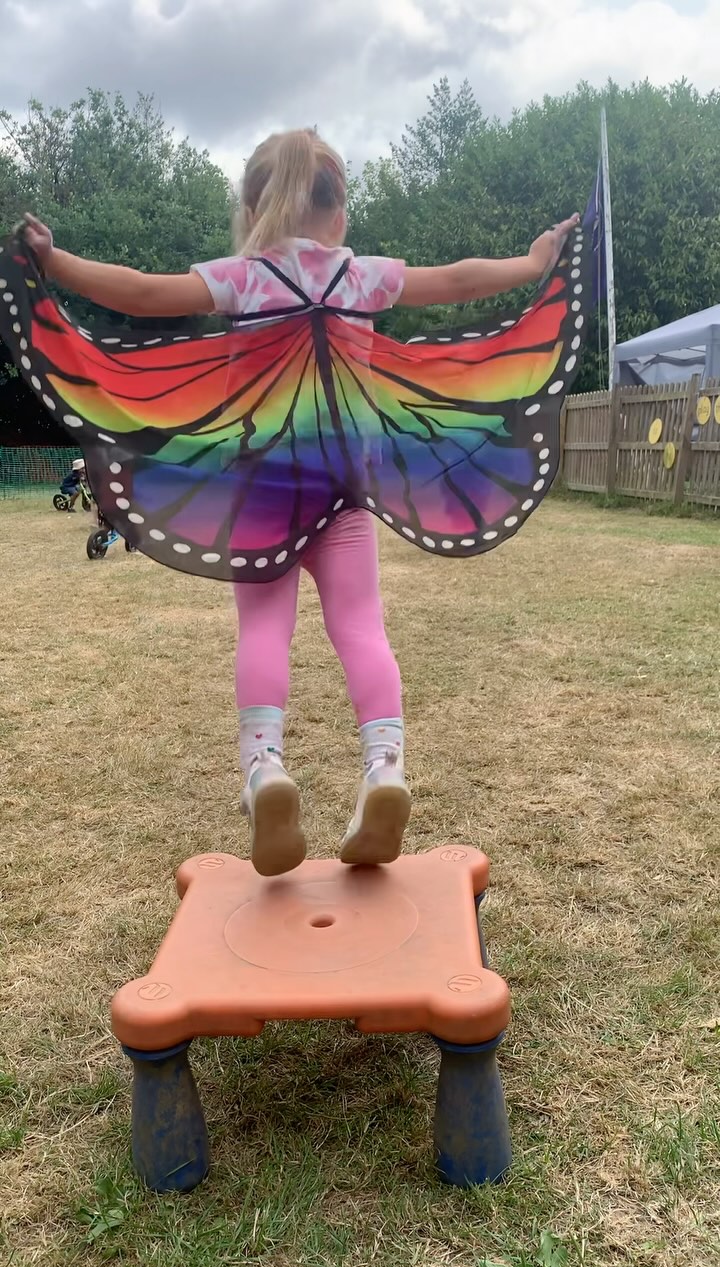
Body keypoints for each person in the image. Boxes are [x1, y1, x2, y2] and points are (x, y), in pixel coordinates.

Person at [22, 129, 578, 877]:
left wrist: (53, 262)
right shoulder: (362, 275)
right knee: (361, 628)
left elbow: (141, 291)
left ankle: (265, 770)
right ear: (339, 209)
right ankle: (384, 767)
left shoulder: (245, 278)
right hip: (345, 494)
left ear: (252, 204)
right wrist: (535, 261)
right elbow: (457, 280)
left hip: (261, 496)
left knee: (263, 630)